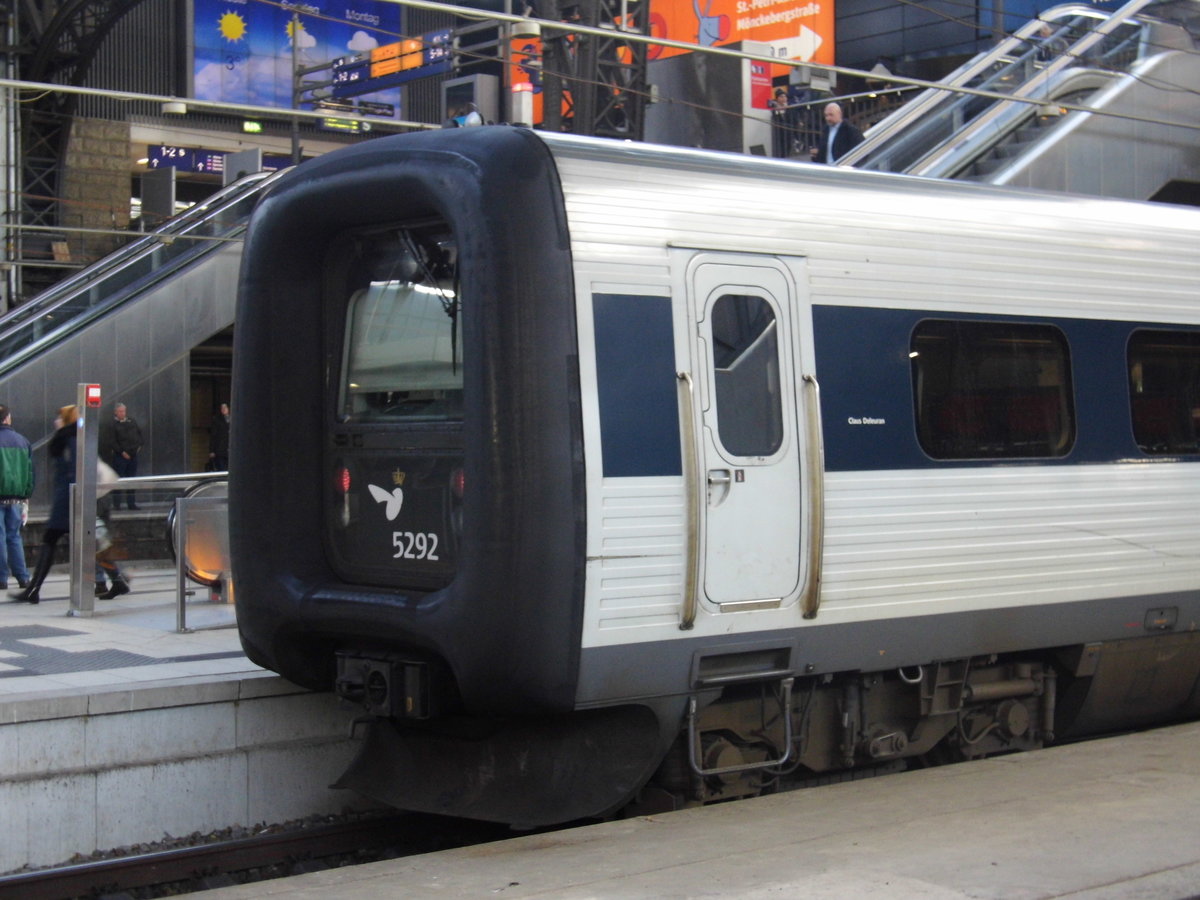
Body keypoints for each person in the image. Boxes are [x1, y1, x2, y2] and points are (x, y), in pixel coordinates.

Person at [12, 406, 77, 604]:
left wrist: (69, 497)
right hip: (68, 497)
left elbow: (73, 470)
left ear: (65, 419)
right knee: (87, 541)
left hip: (68, 498)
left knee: (52, 539)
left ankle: (33, 590)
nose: (56, 420)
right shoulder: (68, 436)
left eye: (59, 416)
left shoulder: (69, 438)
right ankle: (116, 579)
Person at [0, 406, 33, 591]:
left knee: (0, 537)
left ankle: (1, 578)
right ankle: (22, 578)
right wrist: (26, 495)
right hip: (16, 499)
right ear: (7, 419)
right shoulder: (23, 441)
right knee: (14, 537)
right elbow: (30, 472)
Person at [101, 402, 143, 509]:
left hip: (133, 455)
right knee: (118, 480)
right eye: (120, 411)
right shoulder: (112, 424)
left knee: (132, 480)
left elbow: (139, 435)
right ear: (115, 412)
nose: (122, 413)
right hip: (120, 456)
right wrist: (121, 452)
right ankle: (117, 504)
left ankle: (131, 503)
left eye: (123, 411)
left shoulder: (132, 421)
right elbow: (112, 441)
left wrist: (138, 447)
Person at [209, 402, 230, 471]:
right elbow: (213, 436)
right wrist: (211, 450)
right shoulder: (217, 420)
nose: (224, 409)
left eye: (225, 407)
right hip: (219, 449)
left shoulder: (233, 419)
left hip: (229, 449)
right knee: (221, 468)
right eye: (222, 408)